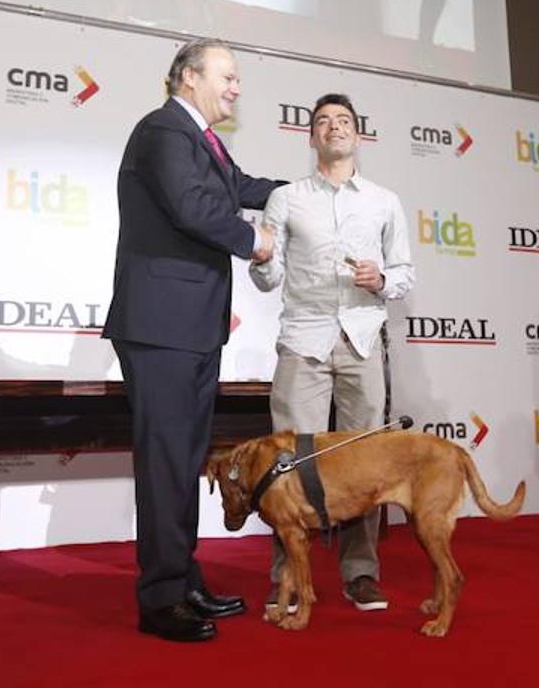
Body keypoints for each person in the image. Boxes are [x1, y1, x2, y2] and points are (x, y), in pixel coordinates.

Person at [103, 37, 281, 642]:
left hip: (193, 326)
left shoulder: (205, 142)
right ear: (187, 77)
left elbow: (244, 186)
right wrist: (253, 241)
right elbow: (193, 206)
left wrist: (309, 195)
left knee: (183, 462)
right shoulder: (162, 132)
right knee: (164, 464)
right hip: (160, 325)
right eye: (227, 76)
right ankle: (158, 600)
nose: (236, 87)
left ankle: (181, 579)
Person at [250, 93, 415, 613]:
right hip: (304, 339)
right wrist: (261, 258)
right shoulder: (287, 198)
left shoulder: (384, 201)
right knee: (287, 463)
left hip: (362, 339)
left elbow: (405, 274)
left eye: (343, 120)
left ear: (357, 135)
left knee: (365, 463)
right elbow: (267, 275)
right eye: (323, 121)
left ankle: (360, 572)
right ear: (312, 137)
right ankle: (288, 576)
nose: (334, 127)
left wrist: (381, 279)